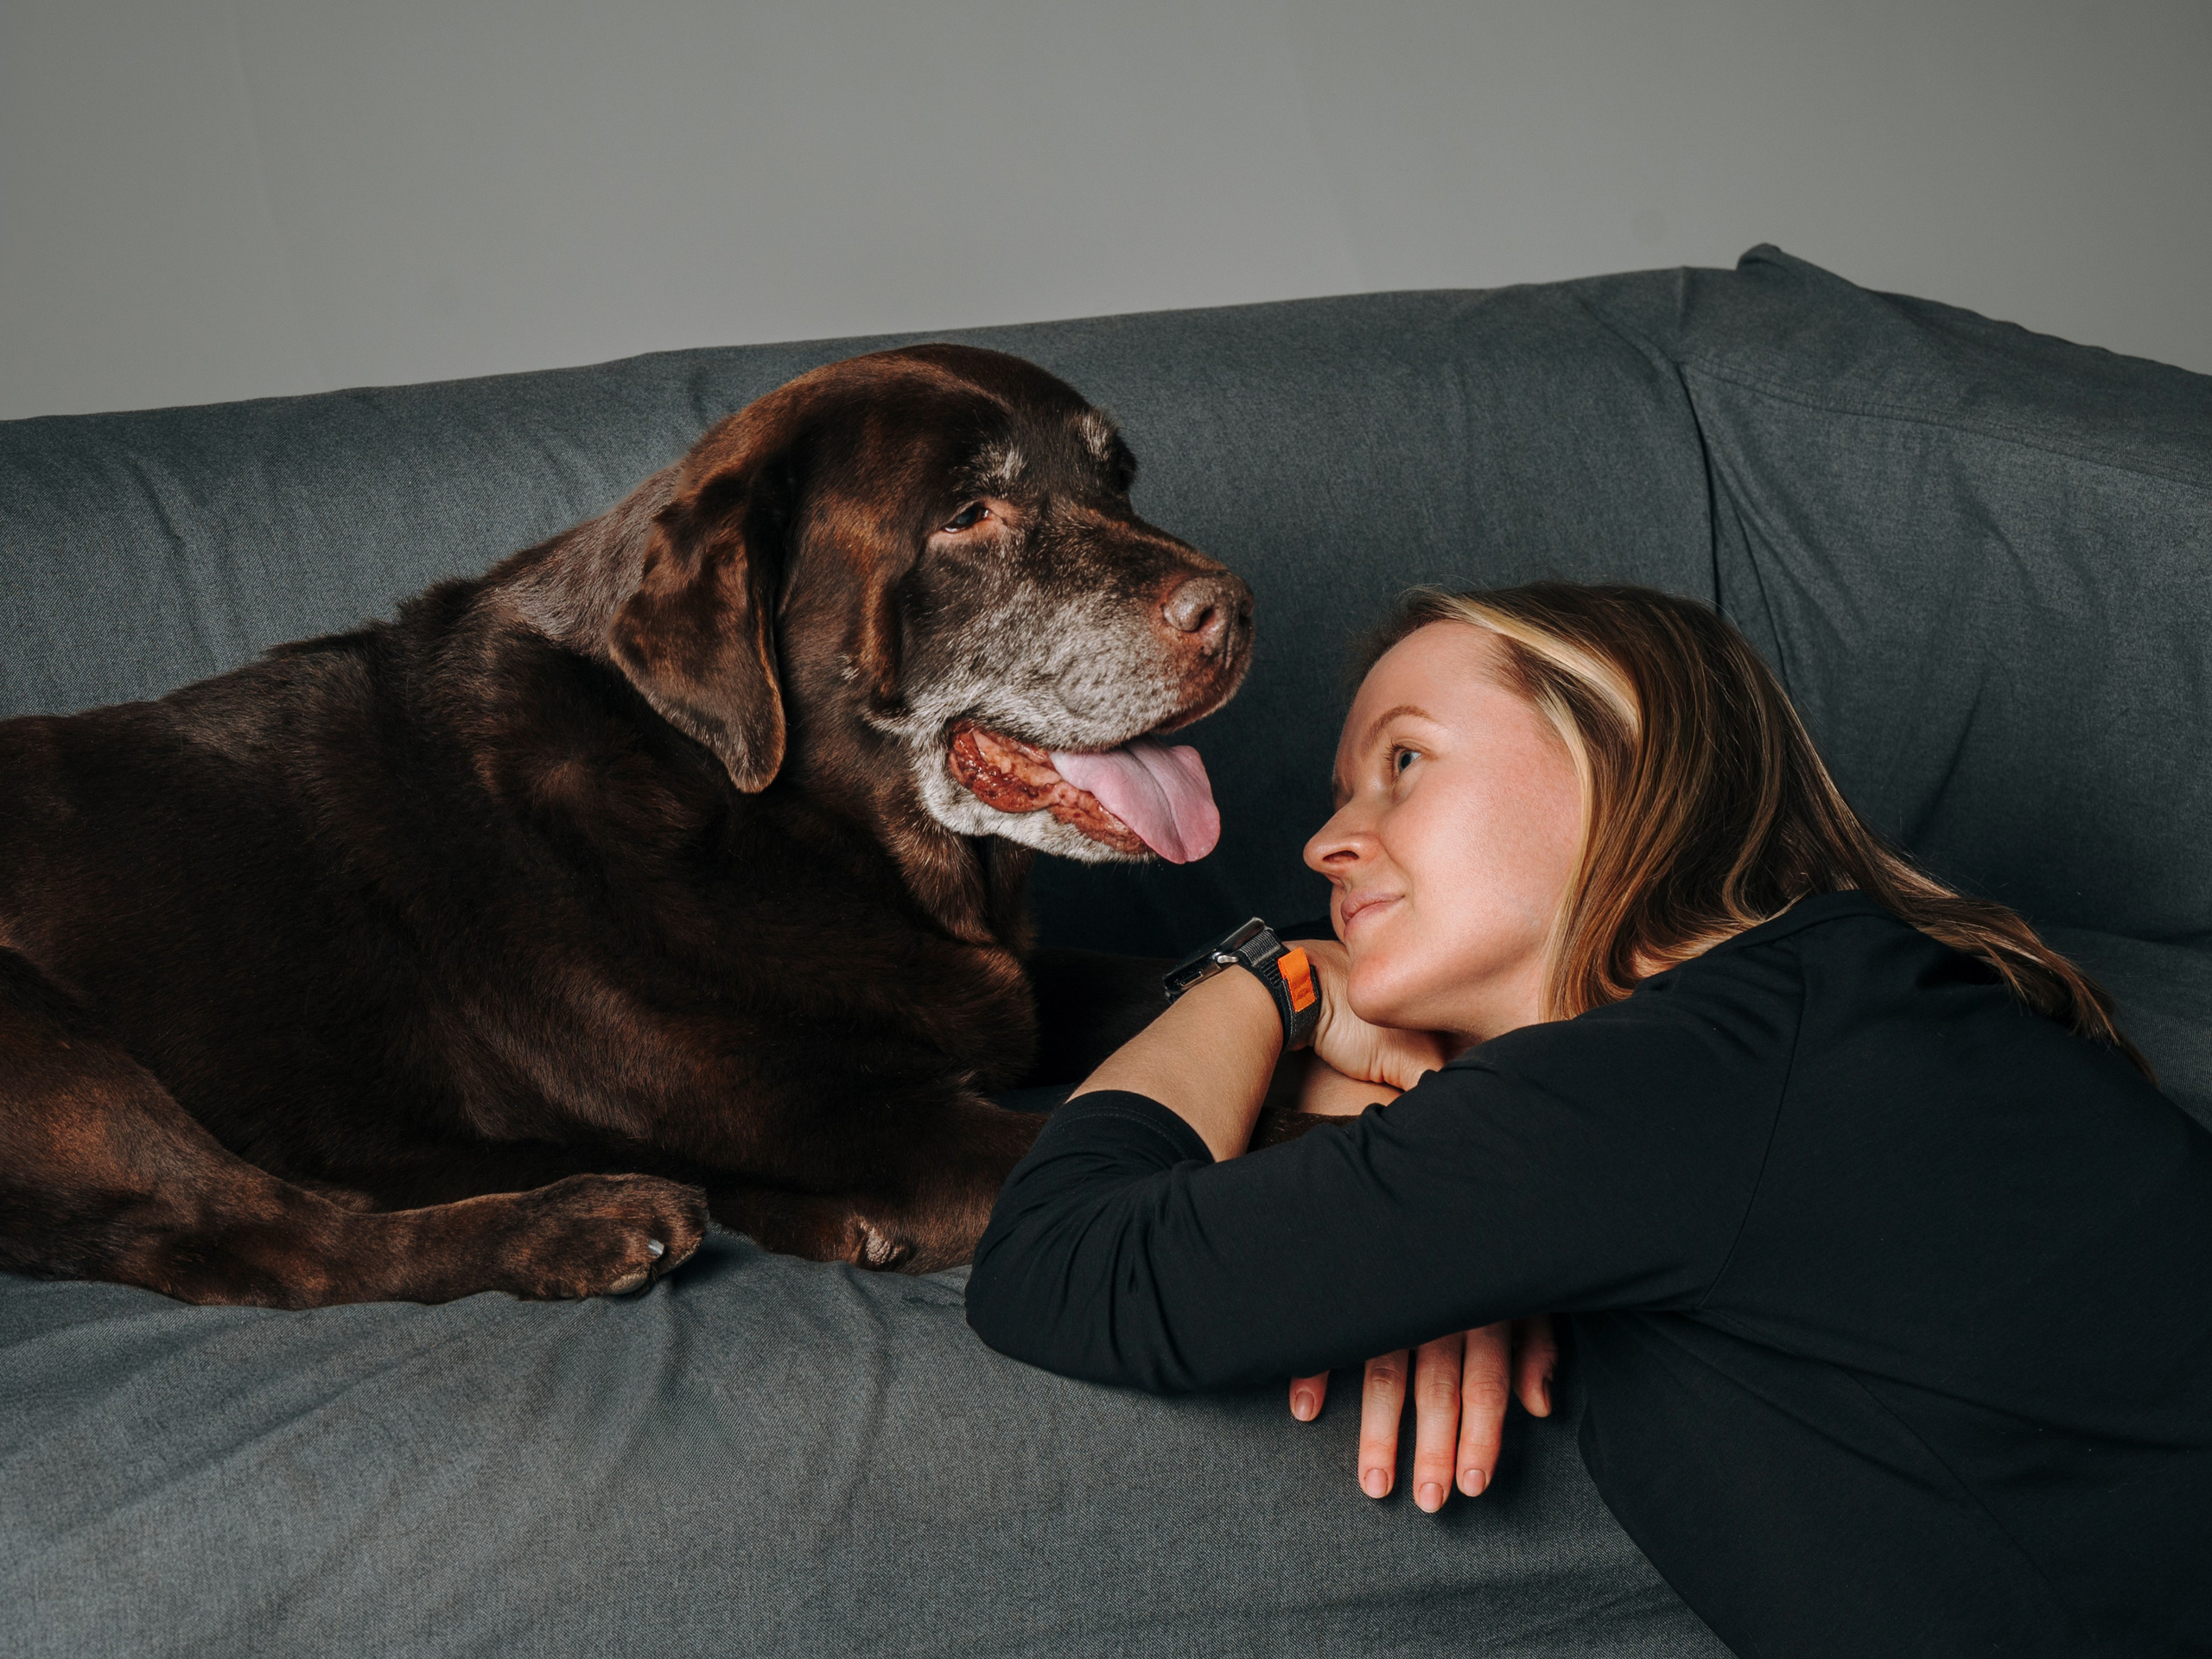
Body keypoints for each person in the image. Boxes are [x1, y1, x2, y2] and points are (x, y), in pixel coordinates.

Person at [964, 582, 2212, 1658]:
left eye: (1404, 761)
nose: (1330, 842)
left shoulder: (1676, 1080)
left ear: (1619, 744)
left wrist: (1268, 980)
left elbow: (1064, 1264)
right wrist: (1445, 1213)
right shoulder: (1815, 1025)